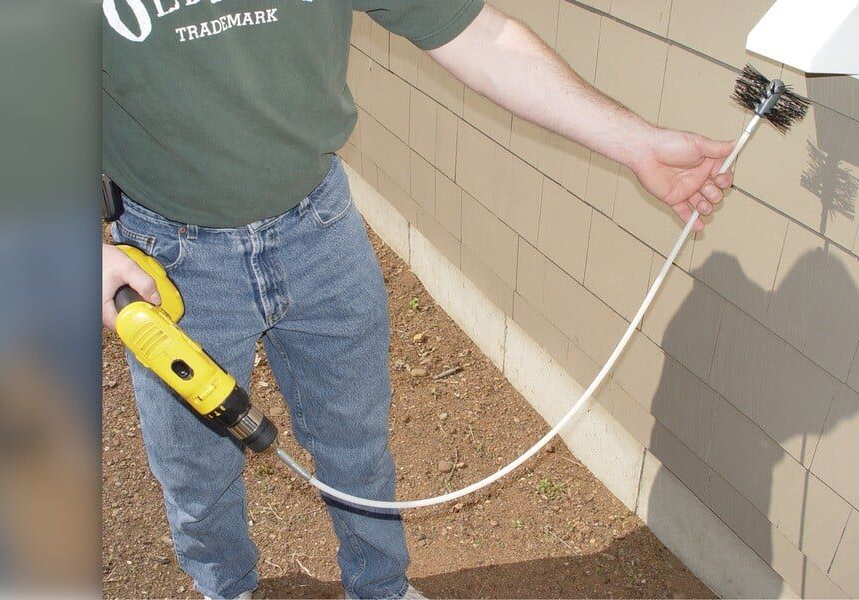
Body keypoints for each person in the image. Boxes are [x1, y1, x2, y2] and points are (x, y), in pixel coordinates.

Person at [101, 1, 734, 598]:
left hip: (317, 229)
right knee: (195, 469)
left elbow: (480, 36)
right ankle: (225, 585)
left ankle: (379, 586)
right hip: (172, 260)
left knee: (355, 440)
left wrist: (635, 142)